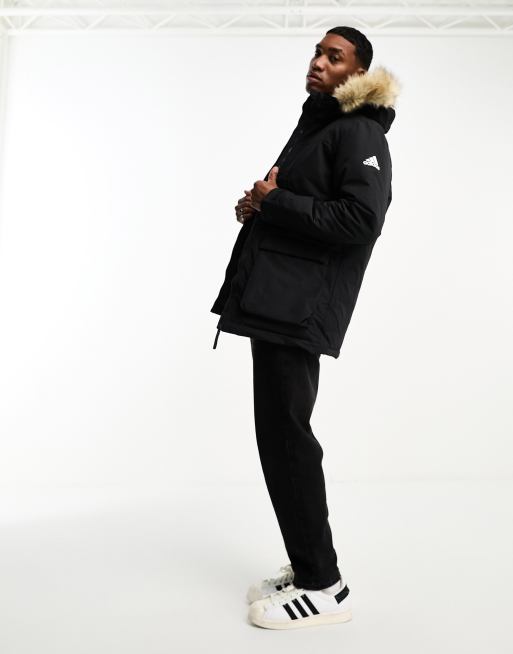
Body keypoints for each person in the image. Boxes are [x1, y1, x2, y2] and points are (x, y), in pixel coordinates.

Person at [210, 26, 401, 630]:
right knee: (279, 436)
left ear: (358, 73)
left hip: (298, 308)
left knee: (288, 439)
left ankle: (324, 586)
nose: (318, 62)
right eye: (317, 52)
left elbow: (361, 218)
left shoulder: (360, 131)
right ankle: (307, 565)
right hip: (278, 302)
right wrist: (258, 206)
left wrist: (276, 203)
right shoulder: (319, 126)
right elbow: (298, 204)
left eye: (333, 56)